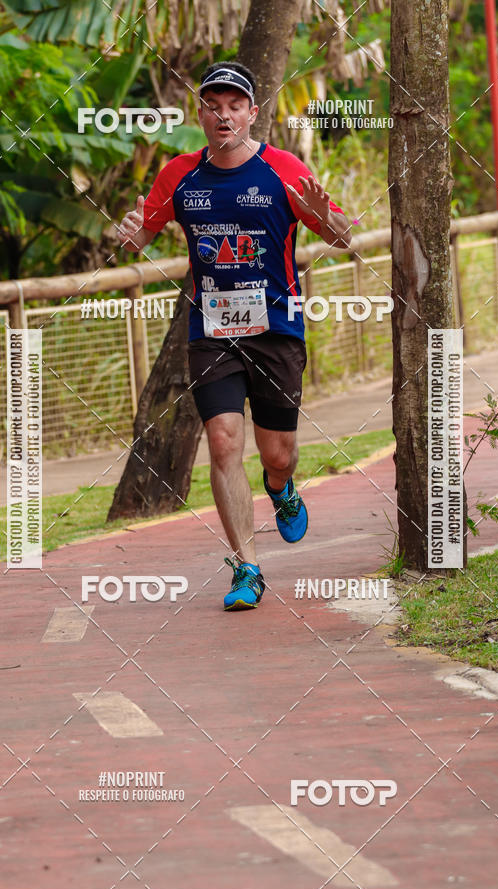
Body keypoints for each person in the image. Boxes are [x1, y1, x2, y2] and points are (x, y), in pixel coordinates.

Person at [118, 62, 351, 611]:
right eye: (213, 105)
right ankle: (246, 567)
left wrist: (325, 217)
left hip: (277, 328)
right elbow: (141, 233)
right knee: (223, 441)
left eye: (234, 105)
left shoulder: (284, 169)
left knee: (279, 453)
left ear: (252, 112)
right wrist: (129, 234)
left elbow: (342, 236)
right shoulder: (179, 174)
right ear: (200, 113)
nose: (224, 115)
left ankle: (281, 489)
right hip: (212, 330)